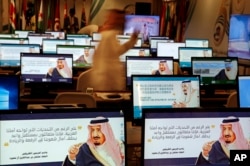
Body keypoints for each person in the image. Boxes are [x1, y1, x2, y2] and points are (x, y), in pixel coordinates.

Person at [88, 9, 139, 91]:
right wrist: (132, 40)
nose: (123, 21)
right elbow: (118, 51)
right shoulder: (109, 35)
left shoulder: (108, 33)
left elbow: (117, 51)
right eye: (120, 19)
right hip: (107, 83)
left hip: (106, 82)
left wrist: (132, 40)